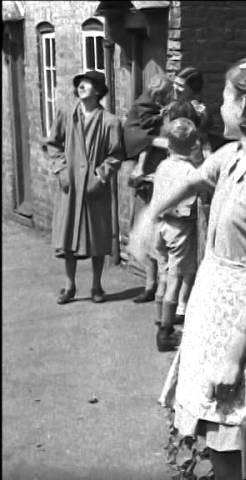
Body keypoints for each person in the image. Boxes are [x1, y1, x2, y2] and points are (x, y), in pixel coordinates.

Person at [145, 56, 246, 479]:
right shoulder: (233, 155)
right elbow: (197, 179)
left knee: (241, 442)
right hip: (214, 311)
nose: (218, 106)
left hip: (243, 325)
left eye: (226, 98)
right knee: (218, 434)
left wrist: (234, 356)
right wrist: (151, 214)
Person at [46, 70, 125, 305]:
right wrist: (60, 170)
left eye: (88, 83)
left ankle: (96, 285)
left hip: (94, 191)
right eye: (80, 82)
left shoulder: (110, 122)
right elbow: (53, 144)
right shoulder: (65, 114)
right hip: (69, 187)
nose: (82, 85)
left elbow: (116, 155)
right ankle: (69, 285)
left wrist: (100, 176)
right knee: (68, 234)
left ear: (99, 91)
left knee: (97, 237)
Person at [149, 118, 199, 352]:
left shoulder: (163, 166)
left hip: (159, 227)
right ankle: (166, 331)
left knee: (163, 274)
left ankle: (160, 319)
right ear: (193, 146)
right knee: (176, 278)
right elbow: (186, 208)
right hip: (178, 228)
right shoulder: (189, 171)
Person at [123, 74, 174, 304]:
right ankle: (151, 284)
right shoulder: (144, 107)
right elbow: (135, 135)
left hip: (162, 174)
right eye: (165, 94)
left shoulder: (160, 109)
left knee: (158, 233)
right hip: (147, 176)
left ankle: (157, 286)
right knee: (145, 231)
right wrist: (154, 141)